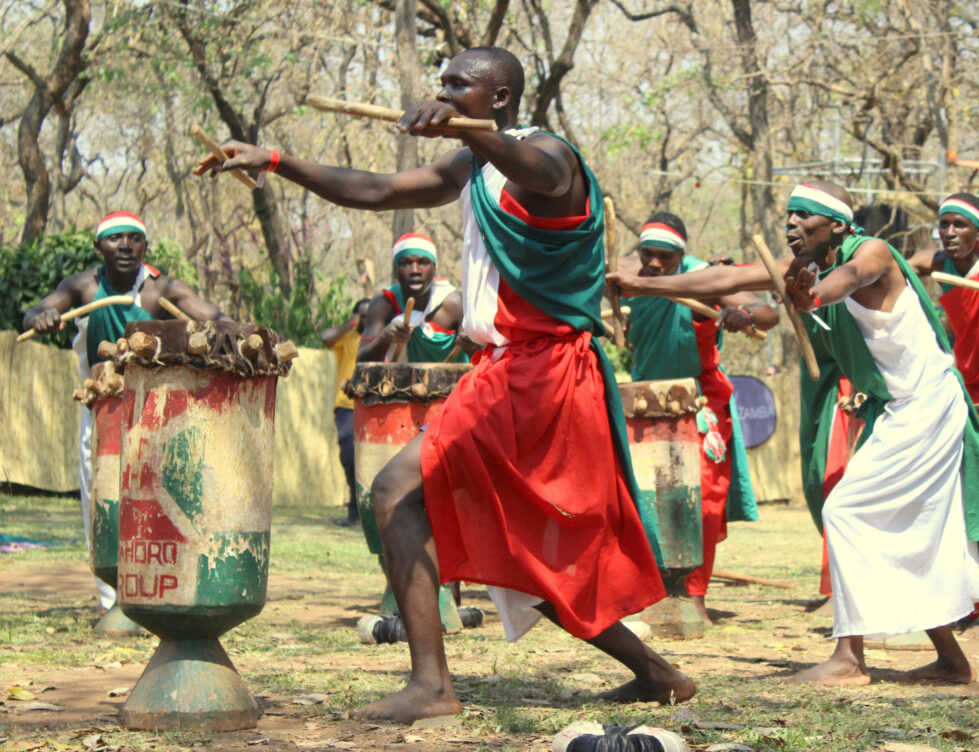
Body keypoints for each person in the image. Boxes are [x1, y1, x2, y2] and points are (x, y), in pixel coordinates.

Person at [196, 46, 693, 722]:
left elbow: (542, 173)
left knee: (394, 492)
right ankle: (657, 673)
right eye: (443, 85)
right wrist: (277, 161)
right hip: (506, 371)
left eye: (461, 86)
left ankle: (432, 686)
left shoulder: (549, 154)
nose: (446, 94)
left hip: (542, 372)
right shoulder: (471, 165)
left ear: (500, 98)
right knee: (518, 547)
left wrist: (468, 133)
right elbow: (376, 190)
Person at [608, 181, 979, 686]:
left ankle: (850, 660)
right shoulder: (806, 265)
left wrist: (812, 295)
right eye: (789, 215)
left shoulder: (872, 252)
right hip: (902, 409)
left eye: (804, 216)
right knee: (902, 524)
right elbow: (727, 277)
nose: (791, 224)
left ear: (837, 225)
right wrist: (642, 286)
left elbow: (848, 279)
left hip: (928, 405)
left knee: (844, 512)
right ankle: (950, 660)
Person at [22, 211, 223, 609]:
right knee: (101, 498)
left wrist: (226, 329)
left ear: (145, 245)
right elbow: (36, 311)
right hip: (101, 410)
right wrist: (41, 317)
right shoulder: (81, 286)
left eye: (135, 238)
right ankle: (112, 599)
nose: (126, 246)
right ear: (99, 247)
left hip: (156, 414)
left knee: (157, 497)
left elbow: (215, 318)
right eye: (116, 239)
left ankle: (156, 589)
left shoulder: (162, 288)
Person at [622, 211, 777, 625]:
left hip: (699, 402)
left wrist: (744, 316)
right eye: (648, 254)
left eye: (666, 257)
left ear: (682, 255)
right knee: (644, 500)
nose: (655, 264)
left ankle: (693, 595)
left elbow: (768, 313)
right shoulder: (630, 275)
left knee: (703, 500)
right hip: (644, 404)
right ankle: (653, 591)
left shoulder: (704, 278)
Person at [907, 192, 979, 633]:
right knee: (965, 490)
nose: (950, 232)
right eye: (945, 224)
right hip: (967, 389)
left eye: (960, 225)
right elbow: (902, 263)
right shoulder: (938, 260)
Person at [358, 233, 469, 364]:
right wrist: (386, 336)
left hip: (455, 378)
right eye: (405, 264)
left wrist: (471, 344)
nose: (414, 270)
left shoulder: (456, 304)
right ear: (395, 271)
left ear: (435, 269)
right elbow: (361, 363)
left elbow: (481, 357)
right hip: (398, 378)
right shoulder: (384, 304)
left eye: (423, 263)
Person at [321, 297, 370, 526]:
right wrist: (350, 324)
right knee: (349, 456)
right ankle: (355, 511)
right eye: (362, 315)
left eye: (370, 315)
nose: (366, 319)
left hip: (373, 406)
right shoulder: (347, 338)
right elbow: (325, 338)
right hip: (346, 407)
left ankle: (368, 513)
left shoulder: (380, 340)